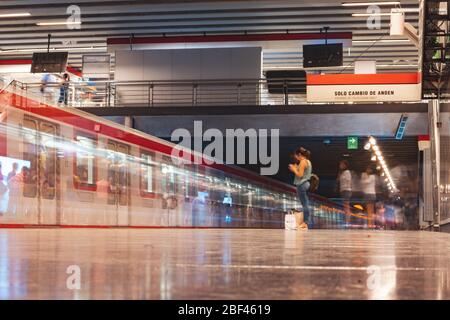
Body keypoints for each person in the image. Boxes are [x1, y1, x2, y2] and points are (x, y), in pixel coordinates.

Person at [288, 147, 312, 229]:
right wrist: (296, 168)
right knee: (305, 204)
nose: (295, 158)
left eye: (296, 156)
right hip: (306, 183)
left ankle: (305, 223)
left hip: (302, 184)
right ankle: (305, 222)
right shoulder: (308, 162)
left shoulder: (303, 162)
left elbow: (300, 175)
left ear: (299, 155)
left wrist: (294, 169)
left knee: (305, 204)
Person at [337, 160, 352, 224]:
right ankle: (347, 220)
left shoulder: (347, 172)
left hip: (346, 190)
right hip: (343, 190)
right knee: (345, 205)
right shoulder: (342, 173)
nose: (340, 166)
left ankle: (347, 220)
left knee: (346, 205)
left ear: (345, 165)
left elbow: (349, 181)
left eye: (342, 164)